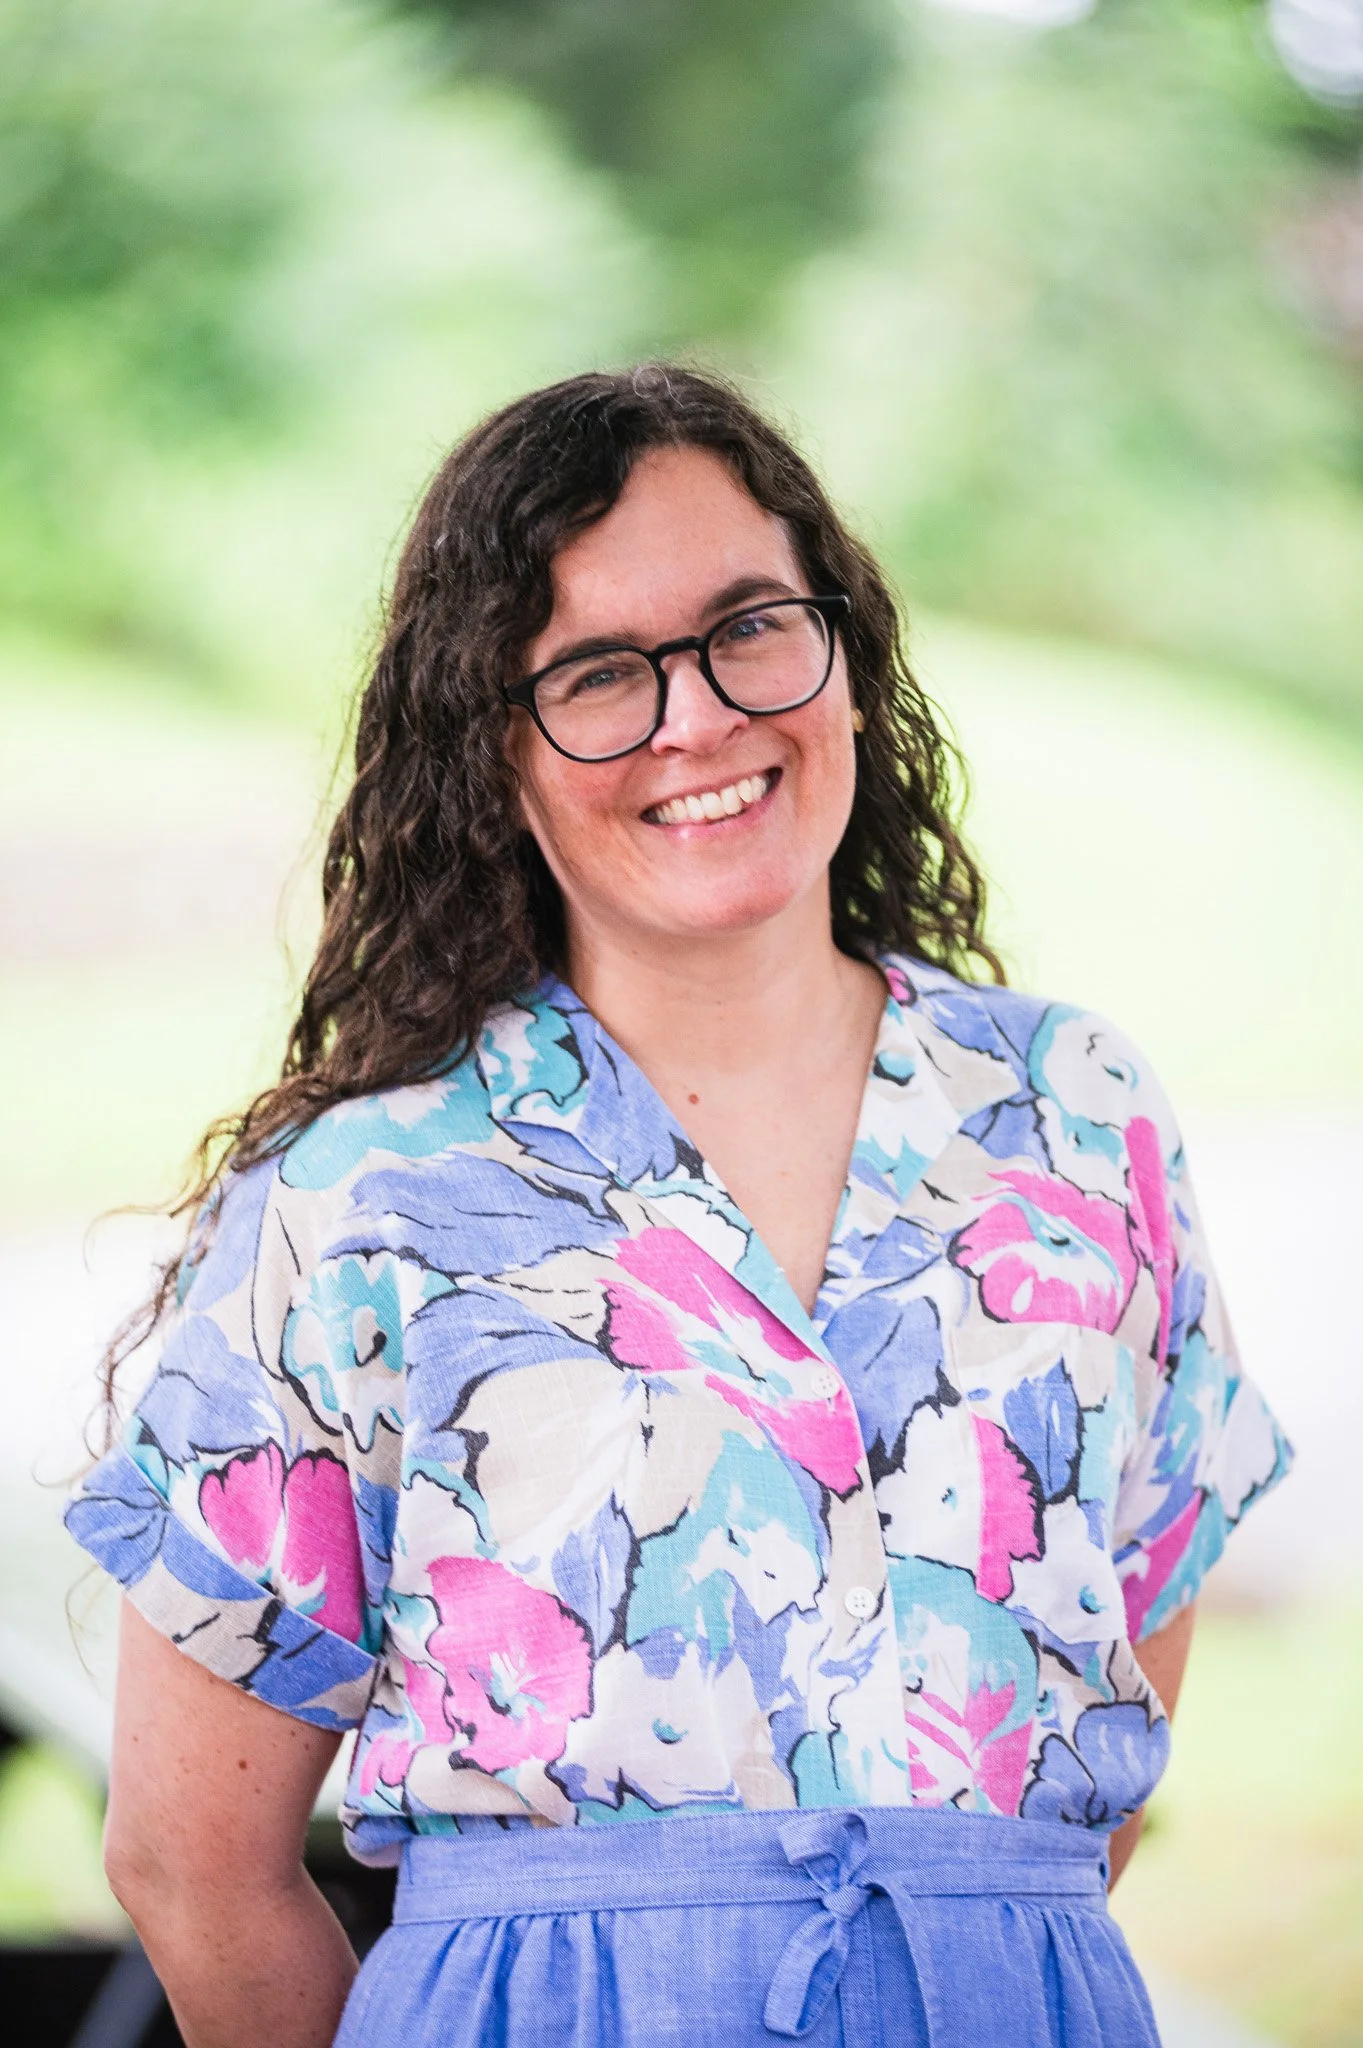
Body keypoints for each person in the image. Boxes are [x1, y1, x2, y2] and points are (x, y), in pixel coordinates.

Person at [67, 366, 1292, 2048]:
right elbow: (192, 1866)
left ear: (846, 654)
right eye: (594, 675)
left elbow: (1106, 1736)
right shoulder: (363, 1201)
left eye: (747, 629)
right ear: (490, 756)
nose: (697, 718)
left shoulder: (1075, 1120)